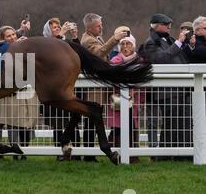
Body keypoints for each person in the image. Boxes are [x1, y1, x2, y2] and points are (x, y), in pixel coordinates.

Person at [138, 14, 192, 161]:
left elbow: (182, 58)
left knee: (183, 123)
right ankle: (164, 156)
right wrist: (179, 43)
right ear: (155, 25)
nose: (169, 26)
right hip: (165, 91)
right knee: (171, 123)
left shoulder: (170, 40)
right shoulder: (150, 43)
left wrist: (188, 43)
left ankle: (183, 156)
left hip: (181, 88)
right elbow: (162, 59)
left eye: (170, 23)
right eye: (165, 23)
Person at [80, 13, 128, 162]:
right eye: (98, 25)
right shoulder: (88, 40)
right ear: (89, 27)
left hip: (98, 84)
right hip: (93, 86)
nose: (101, 27)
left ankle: (90, 153)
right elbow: (99, 54)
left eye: (101, 24)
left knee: (95, 118)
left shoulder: (94, 37)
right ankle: (88, 155)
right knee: (91, 119)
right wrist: (115, 39)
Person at [42, 17, 82, 157]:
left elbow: (79, 53)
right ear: (48, 31)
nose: (58, 28)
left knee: (73, 119)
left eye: (59, 26)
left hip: (68, 88)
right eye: (54, 27)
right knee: (58, 124)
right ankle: (61, 153)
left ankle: (76, 152)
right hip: (53, 91)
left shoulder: (64, 42)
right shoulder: (45, 44)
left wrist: (75, 37)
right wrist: (60, 36)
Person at [0, 25, 39, 160]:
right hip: (11, 92)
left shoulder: (24, 47)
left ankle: (25, 150)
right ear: (3, 39)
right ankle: (16, 151)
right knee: (13, 123)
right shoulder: (2, 51)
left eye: (13, 34)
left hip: (27, 90)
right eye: (8, 36)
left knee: (27, 122)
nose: (12, 37)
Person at [106, 33, 143, 164]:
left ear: (133, 46)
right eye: (123, 44)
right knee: (118, 127)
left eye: (128, 44)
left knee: (132, 127)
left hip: (134, 99)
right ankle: (117, 154)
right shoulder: (115, 60)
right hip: (118, 99)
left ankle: (133, 155)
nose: (125, 46)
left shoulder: (139, 60)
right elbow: (112, 76)